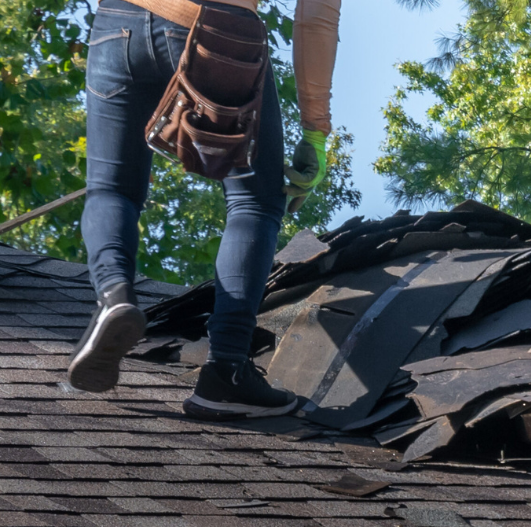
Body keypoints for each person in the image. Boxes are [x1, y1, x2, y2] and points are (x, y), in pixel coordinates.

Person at [67, 0, 341, 417]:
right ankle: (226, 370)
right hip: (219, 27)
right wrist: (315, 131)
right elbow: (316, 14)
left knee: (110, 189)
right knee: (256, 201)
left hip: (115, 21)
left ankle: (113, 297)